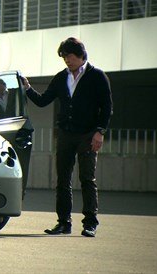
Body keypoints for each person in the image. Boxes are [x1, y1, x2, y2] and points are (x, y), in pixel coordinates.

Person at [21, 37, 112, 237]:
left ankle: (90, 223)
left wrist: (100, 132)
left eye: (69, 57)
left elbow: (107, 107)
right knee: (63, 179)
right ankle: (63, 222)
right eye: (64, 58)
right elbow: (43, 101)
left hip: (88, 134)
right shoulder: (61, 77)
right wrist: (27, 89)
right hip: (65, 134)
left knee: (87, 178)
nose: (67, 61)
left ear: (80, 55)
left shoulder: (97, 76)